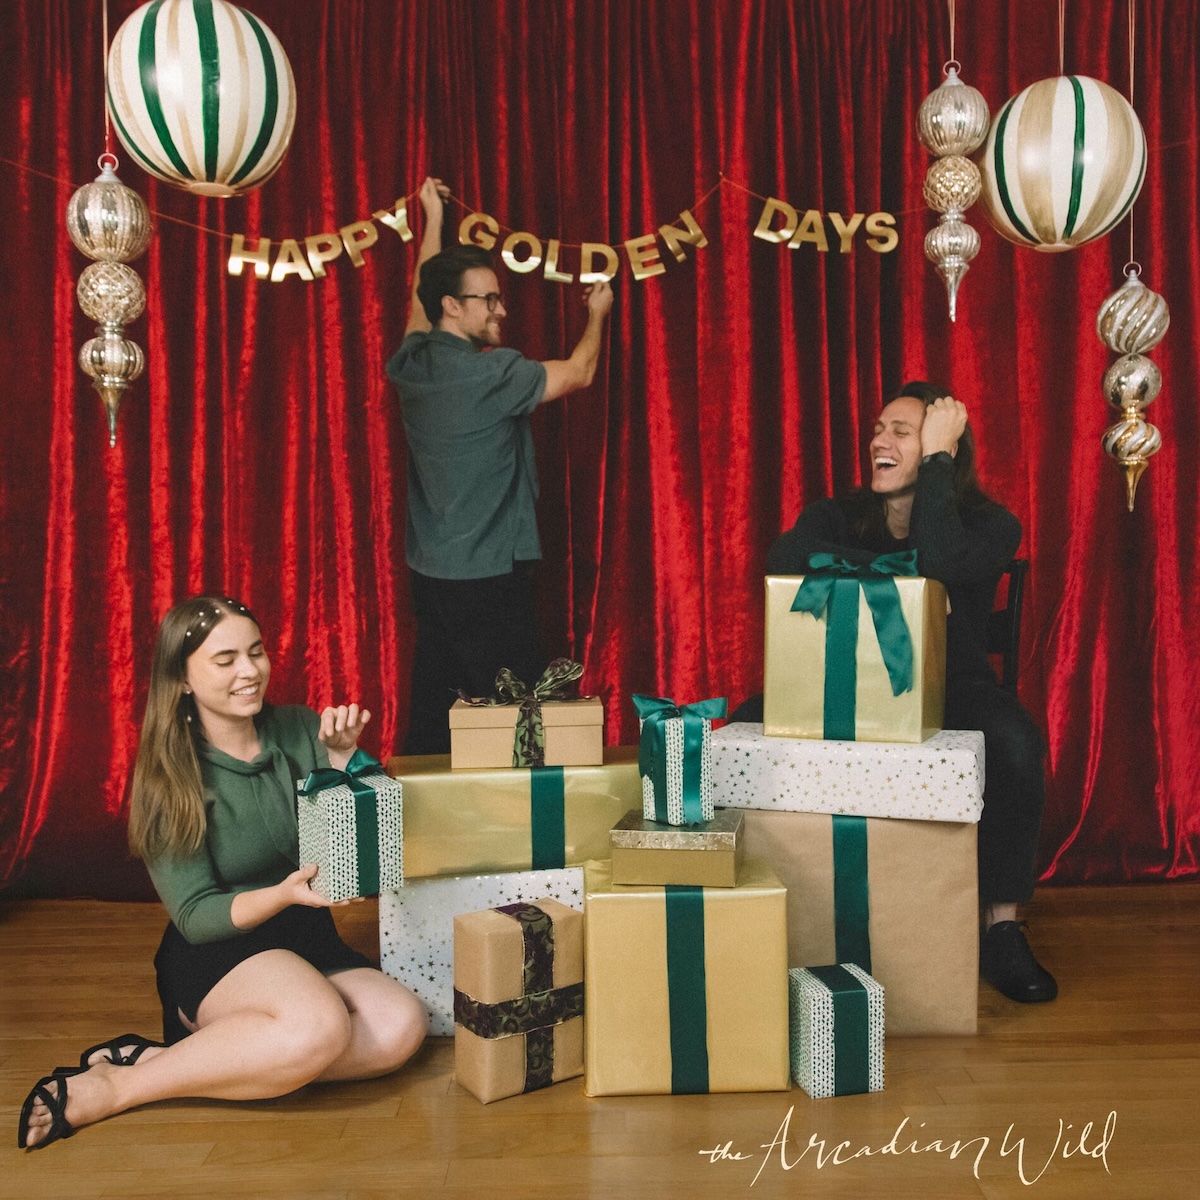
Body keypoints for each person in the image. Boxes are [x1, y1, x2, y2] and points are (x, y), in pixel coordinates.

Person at [17, 595, 427, 1150]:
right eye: (225, 659)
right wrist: (281, 894)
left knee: (401, 1025)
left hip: (305, 936)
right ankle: (119, 1087)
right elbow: (195, 915)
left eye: (255, 652)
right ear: (181, 677)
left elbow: (352, 853)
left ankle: (186, 1058)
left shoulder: (303, 728)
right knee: (320, 1028)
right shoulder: (169, 774)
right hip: (217, 948)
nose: (249, 671)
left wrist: (340, 760)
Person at [762, 382, 1057, 1004]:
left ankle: (1001, 928)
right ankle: (764, 916)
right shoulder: (837, 513)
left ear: (941, 446)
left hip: (954, 688)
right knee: (741, 727)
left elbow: (943, 563)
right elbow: (787, 554)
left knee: (1016, 741)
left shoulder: (994, 523)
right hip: (843, 689)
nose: (878, 440)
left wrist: (939, 467)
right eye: (878, 428)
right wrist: (898, 573)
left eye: (901, 431)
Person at [386, 178, 614, 754]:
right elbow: (581, 372)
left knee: (435, 706)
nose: (502, 309)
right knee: (522, 714)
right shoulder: (493, 374)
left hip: (432, 575)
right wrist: (599, 314)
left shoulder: (411, 363)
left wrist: (432, 216)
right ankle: (529, 821)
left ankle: (417, 824)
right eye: (488, 299)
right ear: (453, 307)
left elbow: (420, 294)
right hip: (488, 579)